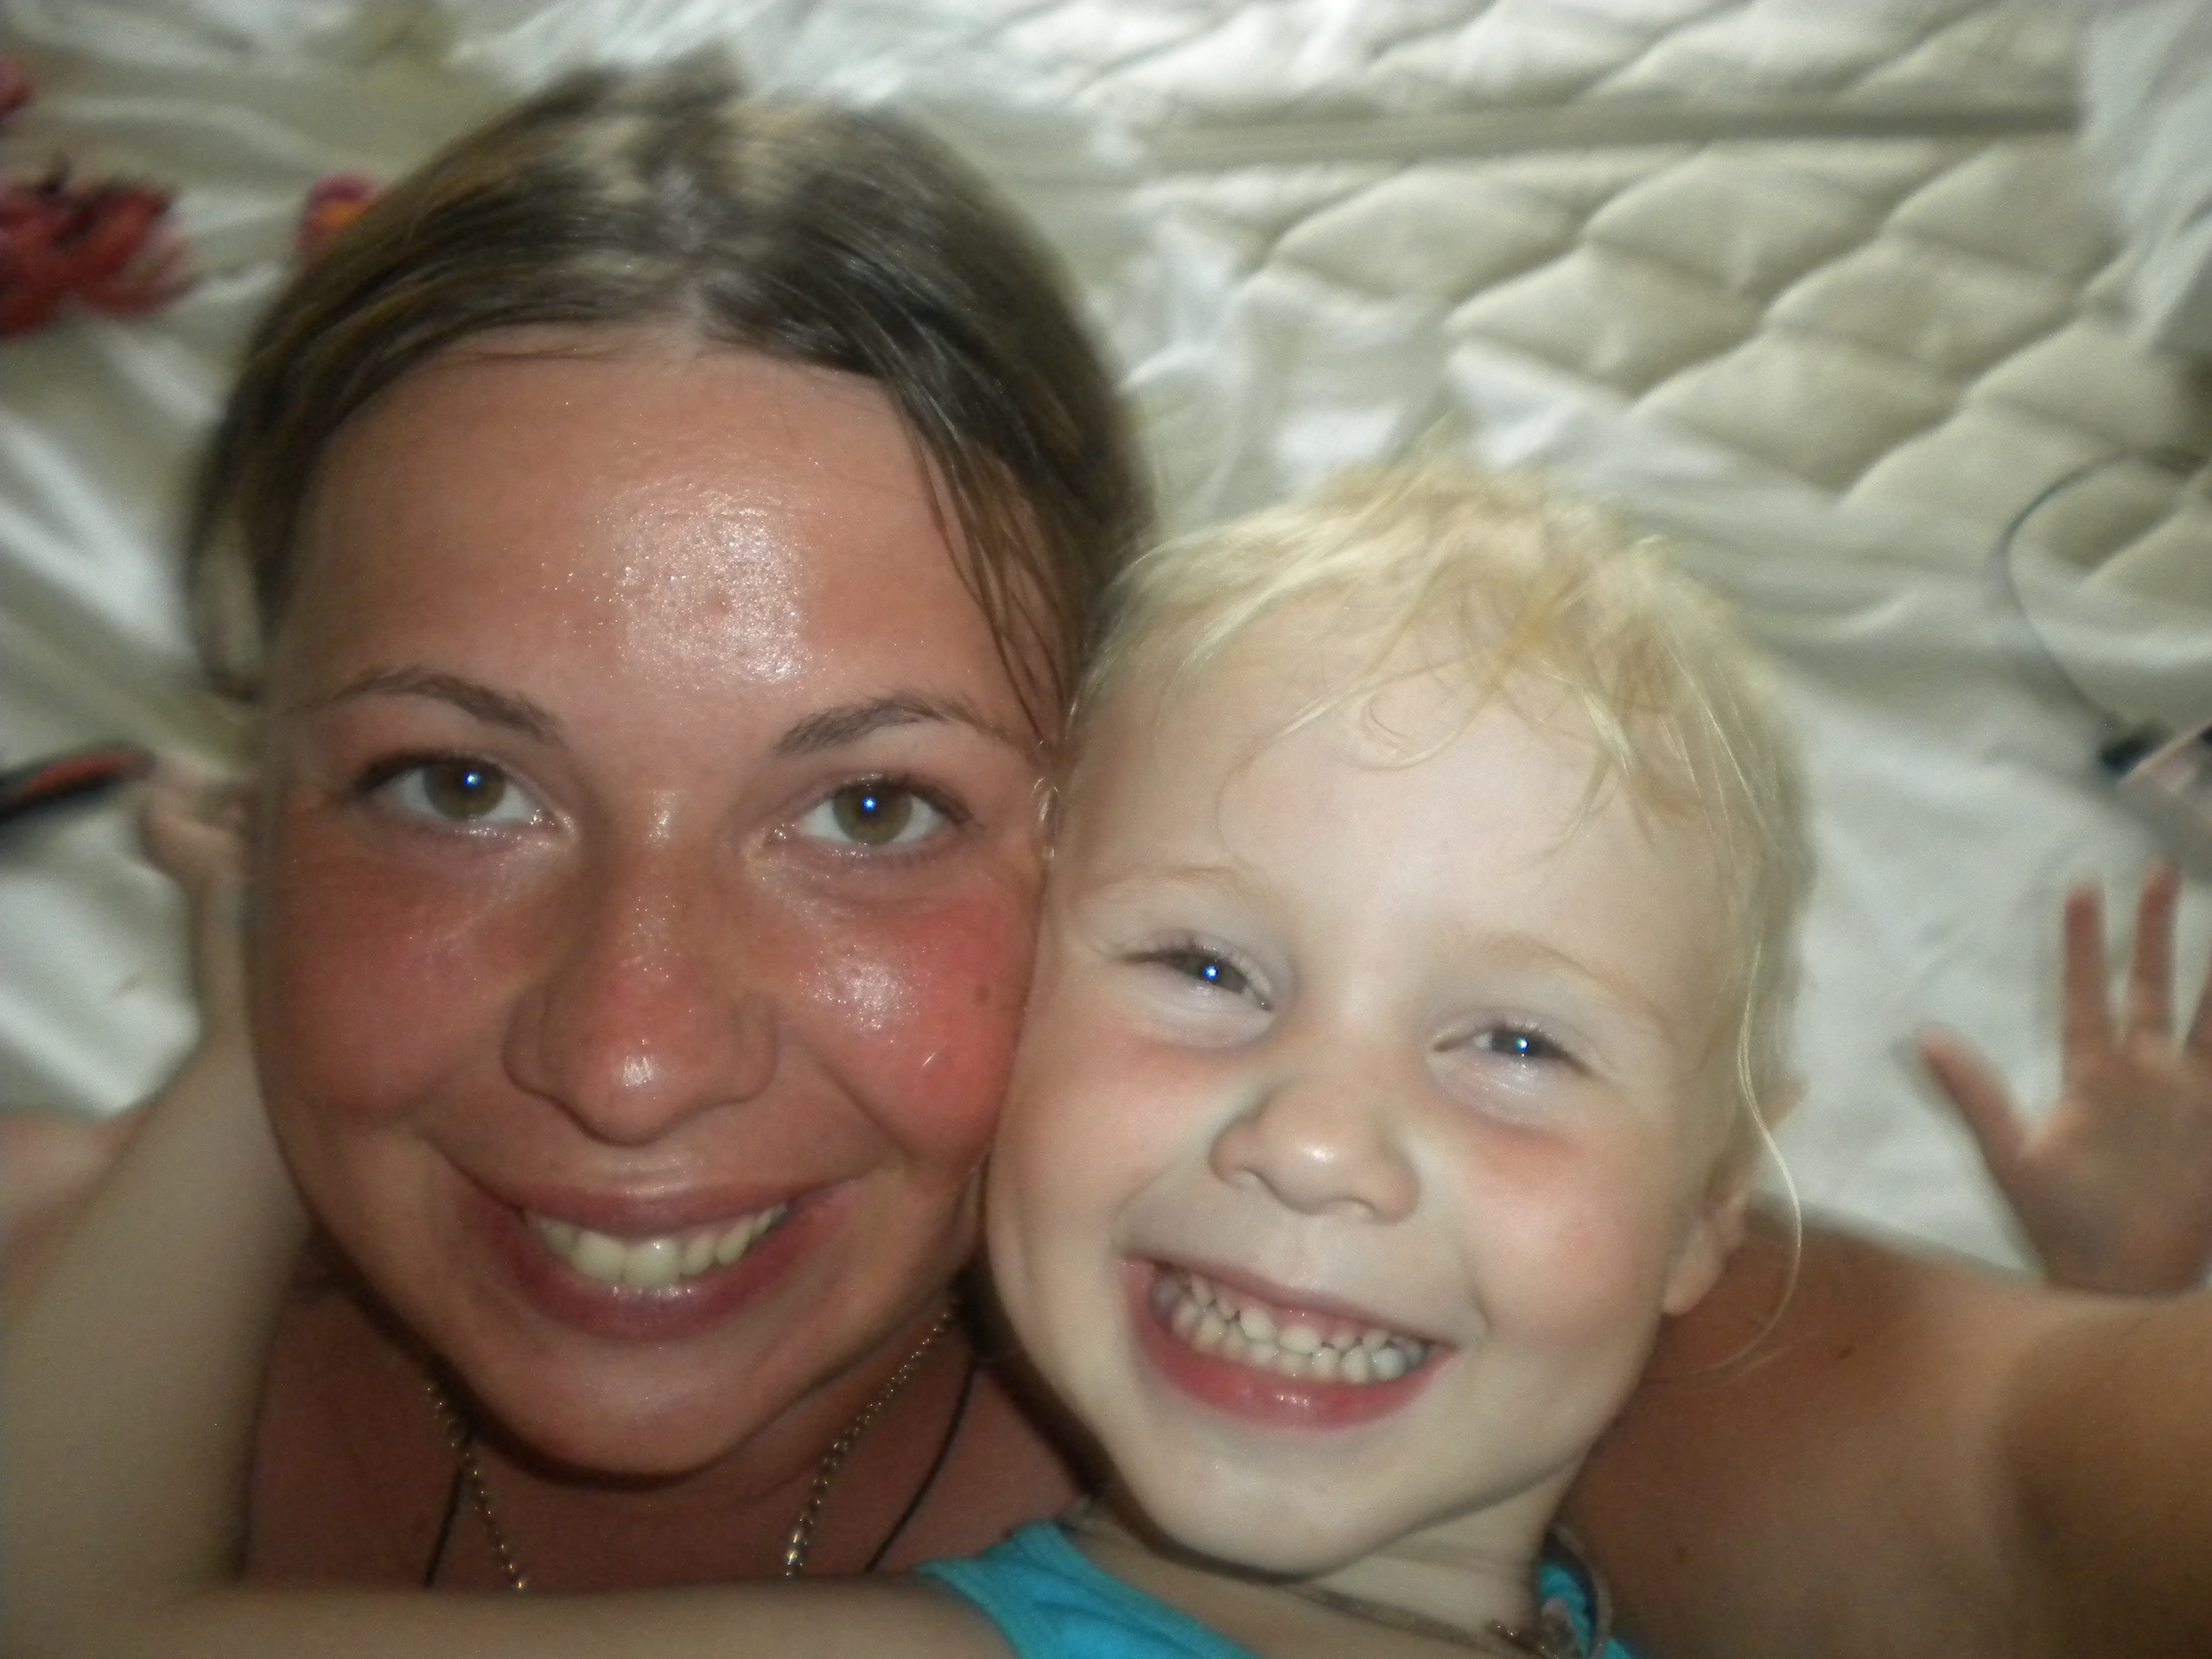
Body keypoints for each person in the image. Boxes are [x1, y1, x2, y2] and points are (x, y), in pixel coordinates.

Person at [3, 53, 2210, 1659]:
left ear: (1082, 834)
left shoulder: (1479, 1346)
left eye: (872, 808)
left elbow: (2046, 1482)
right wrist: (258, 1036)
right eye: (454, 788)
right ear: (268, 791)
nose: (632, 1058)